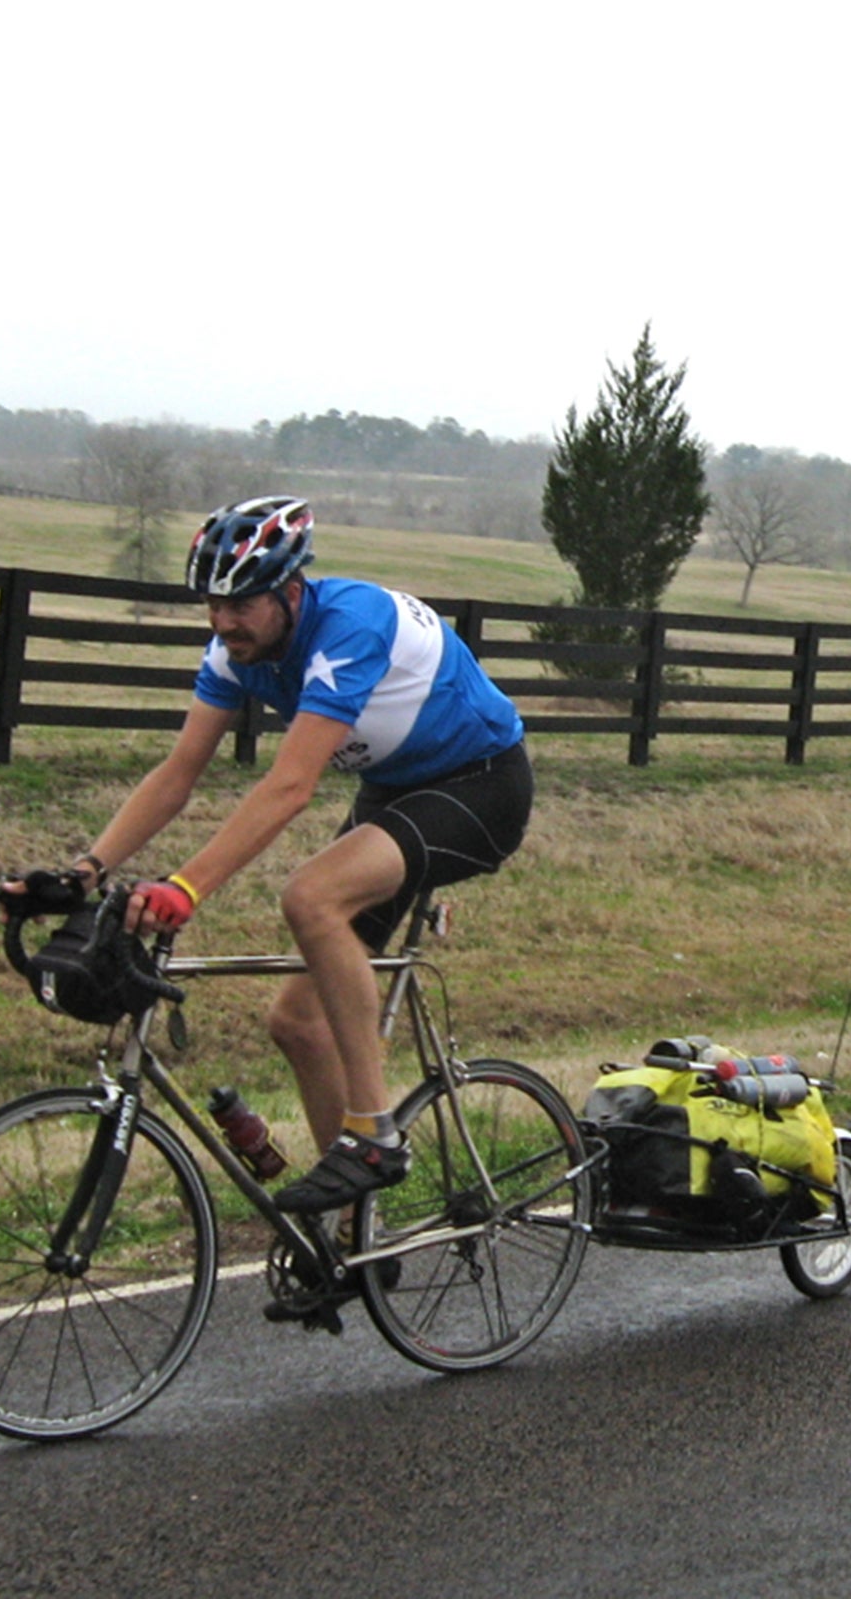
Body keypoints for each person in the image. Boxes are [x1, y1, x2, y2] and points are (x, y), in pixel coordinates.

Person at [49, 495, 532, 1217]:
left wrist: (186, 887)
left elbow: (290, 786)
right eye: (213, 604)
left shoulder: (351, 626)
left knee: (312, 895)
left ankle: (376, 1136)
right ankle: (350, 1237)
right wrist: (84, 869)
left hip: (481, 788)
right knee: (296, 1022)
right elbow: (178, 774)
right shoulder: (235, 654)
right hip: (392, 795)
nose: (223, 621)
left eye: (241, 604)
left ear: (290, 591)